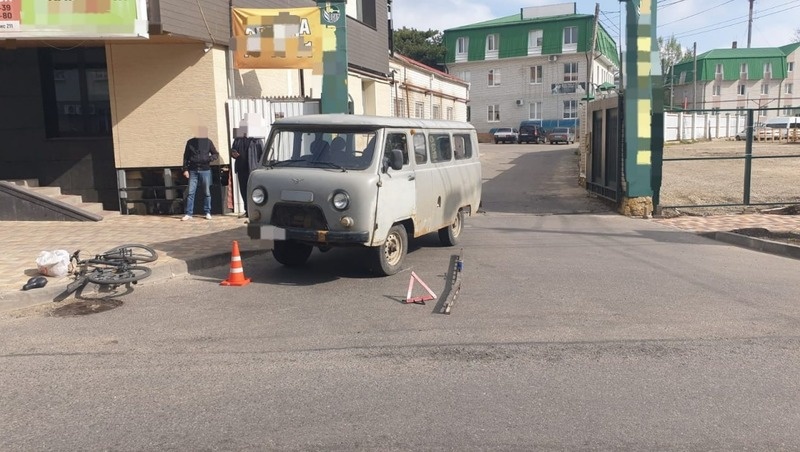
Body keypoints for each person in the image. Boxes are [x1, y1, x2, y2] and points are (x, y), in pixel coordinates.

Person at [181, 127, 219, 221]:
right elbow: (186, 156)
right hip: (193, 170)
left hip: (205, 170)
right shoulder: (190, 142)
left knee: (206, 192)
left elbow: (215, 154)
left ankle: (207, 212)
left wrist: (208, 159)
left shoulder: (208, 142)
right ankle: (189, 213)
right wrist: (185, 169)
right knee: (190, 192)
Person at [230, 133, 264, 218]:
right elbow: (233, 150)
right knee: (243, 190)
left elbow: (262, 155)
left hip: (253, 170)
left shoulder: (256, 140)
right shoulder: (238, 139)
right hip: (241, 169)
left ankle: (255, 211)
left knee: (253, 191)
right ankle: (247, 211)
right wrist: (233, 153)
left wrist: (260, 168)